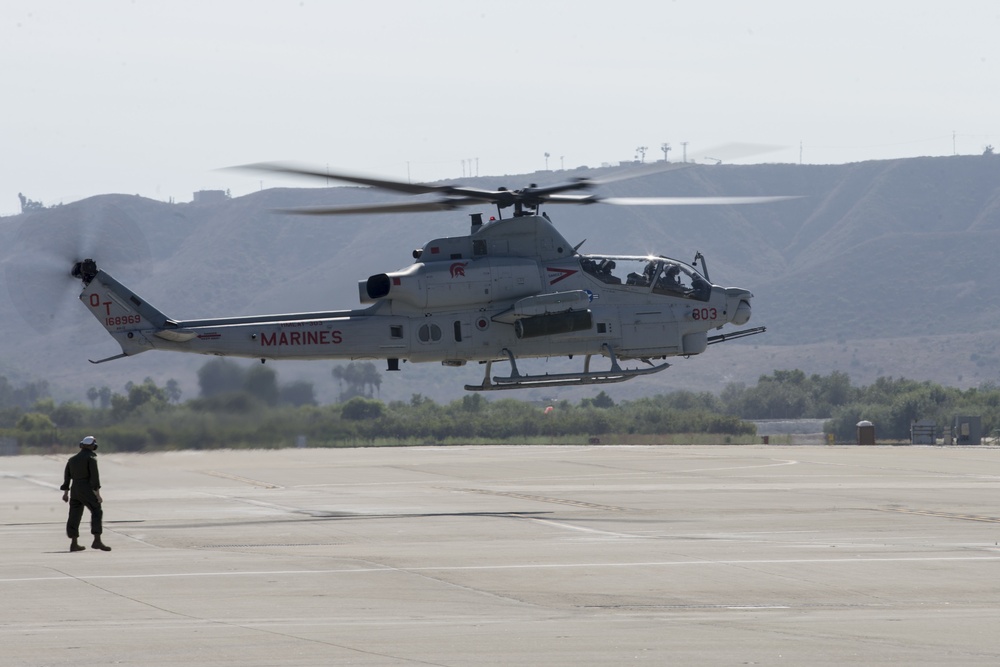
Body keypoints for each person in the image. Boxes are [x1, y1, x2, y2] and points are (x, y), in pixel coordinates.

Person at [60, 436, 111, 552]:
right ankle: (97, 540)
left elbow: (67, 477)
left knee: (74, 515)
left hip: (75, 489)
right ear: (92, 446)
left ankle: (74, 543)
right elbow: (94, 478)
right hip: (86, 488)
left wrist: (66, 493)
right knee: (96, 510)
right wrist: (97, 494)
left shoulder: (72, 459)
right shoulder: (91, 458)